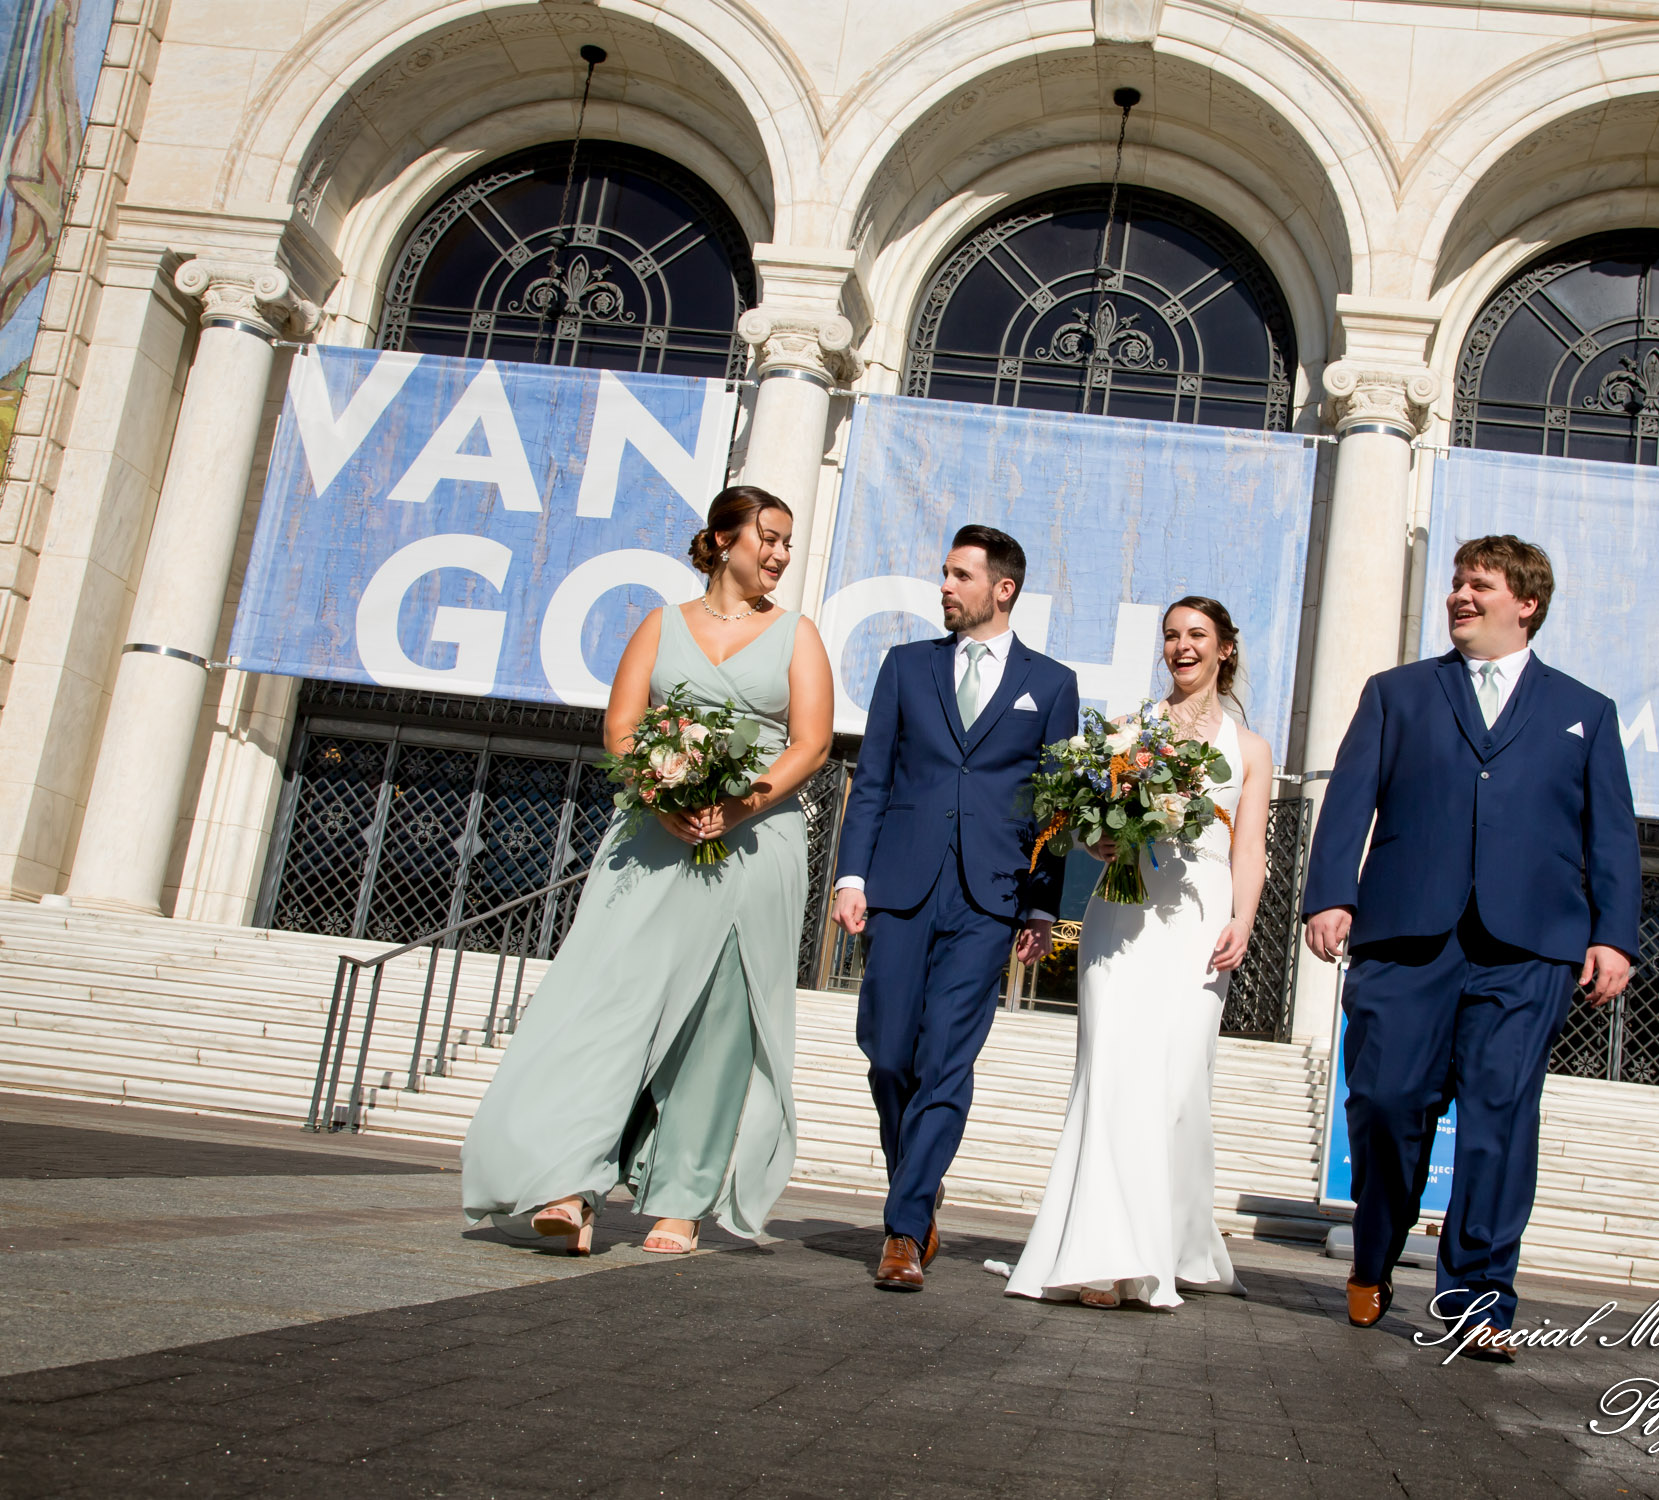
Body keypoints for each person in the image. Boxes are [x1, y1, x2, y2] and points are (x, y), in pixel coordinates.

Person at [461, 486, 834, 1255]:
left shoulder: (798, 635)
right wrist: (662, 799)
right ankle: (568, 1181)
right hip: (651, 836)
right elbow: (623, 728)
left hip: (757, 842)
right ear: (724, 540)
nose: (780, 554)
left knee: (720, 1021)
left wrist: (739, 805)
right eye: (768, 537)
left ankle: (681, 1199)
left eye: (788, 543)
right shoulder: (660, 625)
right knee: (608, 1004)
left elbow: (812, 744)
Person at [1301, 534, 1639, 1353]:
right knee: (1386, 1103)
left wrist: (1614, 936)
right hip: (1405, 937)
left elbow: (1612, 834)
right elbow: (1350, 800)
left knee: (1500, 1116)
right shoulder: (1397, 694)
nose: (1459, 595)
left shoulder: (1585, 712)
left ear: (1526, 603)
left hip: (1530, 947)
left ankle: (1480, 1299)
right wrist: (1332, 894)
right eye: (1456, 582)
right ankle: (1375, 1254)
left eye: (1479, 584)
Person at [831, 524, 1080, 1291]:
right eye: (944, 572)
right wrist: (850, 877)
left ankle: (904, 1230)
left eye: (960, 575)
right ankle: (919, 1185)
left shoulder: (1052, 683)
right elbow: (874, 779)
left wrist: (1042, 909)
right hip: (901, 888)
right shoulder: (906, 667)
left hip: (989, 899)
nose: (945, 585)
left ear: (1003, 589)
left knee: (946, 1059)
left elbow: (1057, 808)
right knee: (888, 1055)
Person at [1006, 597, 1273, 1310]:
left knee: (1180, 1080)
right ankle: (1102, 1258)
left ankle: (1171, 1245)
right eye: (1171, 636)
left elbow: (1249, 846)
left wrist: (1244, 919)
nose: (1181, 646)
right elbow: (1083, 823)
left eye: (1197, 635)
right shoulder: (1128, 731)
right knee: (1113, 1072)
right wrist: (1096, 836)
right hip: (1122, 913)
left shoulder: (1250, 749)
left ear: (1224, 649)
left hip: (1200, 918)